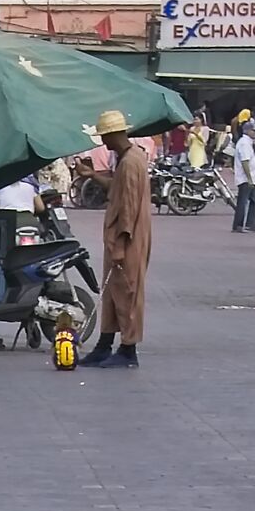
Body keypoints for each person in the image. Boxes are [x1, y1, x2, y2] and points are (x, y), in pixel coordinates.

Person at [81, 110, 151, 368]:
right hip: (119, 237)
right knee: (112, 291)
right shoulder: (126, 160)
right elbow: (117, 188)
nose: (104, 143)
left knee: (128, 291)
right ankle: (104, 343)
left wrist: (121, 242)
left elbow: (129, 207)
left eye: (105, 137)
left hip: (128, 237)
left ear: (114, 135)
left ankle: (128, 349)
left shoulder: (131, 162)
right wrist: (93, 176)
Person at [229, 118, 255, 234]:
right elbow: (245, 161)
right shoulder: (244, 144)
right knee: (242, 202)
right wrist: (248, 177)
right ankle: (238, 225)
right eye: (254, 131)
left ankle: (251, 224)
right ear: (248, 131)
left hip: (251, 178)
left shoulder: (248, 143)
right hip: (245, 178)